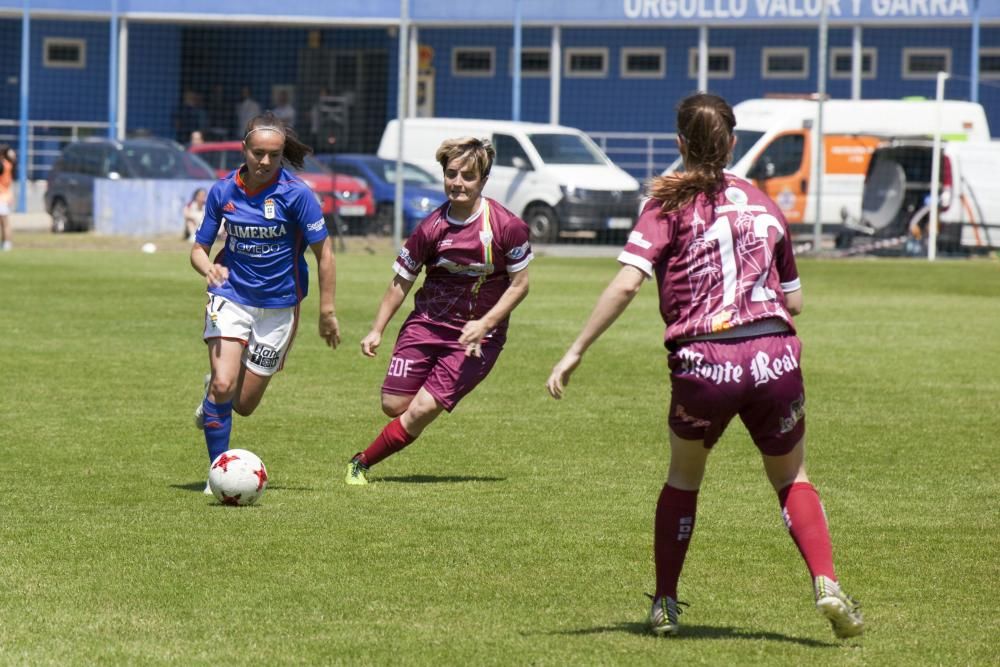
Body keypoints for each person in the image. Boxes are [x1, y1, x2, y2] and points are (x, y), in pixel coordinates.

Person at [546, 93, 863, 640]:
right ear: (733, 144)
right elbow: (797, 300)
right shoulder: (763, 202)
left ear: (679, 144)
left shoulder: (666, 203)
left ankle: (666, 603)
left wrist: (575, 351)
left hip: (706, 360)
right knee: (791, 476)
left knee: (684, 478)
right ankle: (827, 584)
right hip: (774, 354)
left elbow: (627, 282)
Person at [346, 136, 533, 485]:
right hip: (427, 325)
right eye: (451, 174)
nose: (458, 183)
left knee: (421, 410)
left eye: (467, 176)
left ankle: (361, 463)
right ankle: (417, 408)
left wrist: (486, 323)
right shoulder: (430, 228)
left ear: (483, 181)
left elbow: (520, 284)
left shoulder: (507, 226)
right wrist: (376, 329)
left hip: (478, 338)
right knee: (393, 404)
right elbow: (401, 281)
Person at [191, 111, 341, 493]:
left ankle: (213, 398)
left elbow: (325, 254)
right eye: (258, 153)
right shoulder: (223, 191)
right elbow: (198, 249)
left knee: (243, 404)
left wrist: (327, 311)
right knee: (226, 385)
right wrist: (208, 268)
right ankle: (217, 472)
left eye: (274, 155)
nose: (265, 161)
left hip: (280, 306)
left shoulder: (297, 195)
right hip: (231, 294)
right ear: (244, 149)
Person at [0, 145, 14, 251]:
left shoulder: (3, 165)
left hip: (2, 195)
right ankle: (5, 242)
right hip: (6, 195)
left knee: (4, 222)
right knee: (4, 222)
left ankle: (7, 243)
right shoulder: (8, 164)